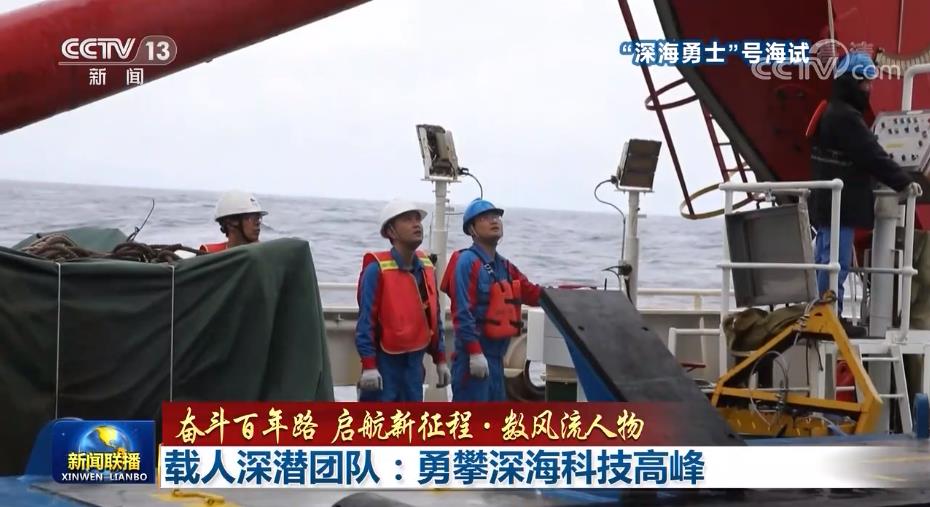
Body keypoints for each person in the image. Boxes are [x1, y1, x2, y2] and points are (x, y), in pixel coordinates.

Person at [808, 51, 920, 329]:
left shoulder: (832, 112)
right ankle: (829, 317)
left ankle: (824, 313)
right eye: (864, 82)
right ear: (850, 82)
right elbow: (871, 154)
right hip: (839, 206)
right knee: (835, 262)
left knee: (826, 259)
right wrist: (903, 181)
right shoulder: (846, 117)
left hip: (827, 204)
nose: (869, 88)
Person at [440, 198, 542, 401]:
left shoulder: (505, 266)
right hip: (472, 361)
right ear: (472, 229)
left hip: (496, 361)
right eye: (485, 218)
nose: (494, 221)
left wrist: (564, 296)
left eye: (496, 216)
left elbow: (532, 293)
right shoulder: (467, 262)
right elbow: (462, 312)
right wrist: (475, 353)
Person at [355, 198, 451, 401]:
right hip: (384, 366)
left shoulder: (426, 268)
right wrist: (369, 365)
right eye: (408, 220)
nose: (417, 224)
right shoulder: (376, 270)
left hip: (414, 367)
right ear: (391, 231)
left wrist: (440, 359)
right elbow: (366, 322)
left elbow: (433, 316)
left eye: (418, 219)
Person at [200, 190, 267, 253]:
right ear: (232, 221)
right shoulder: (210, 253)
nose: (258, 223)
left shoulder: (264, 253)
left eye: (258, 218)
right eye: (251, 218)